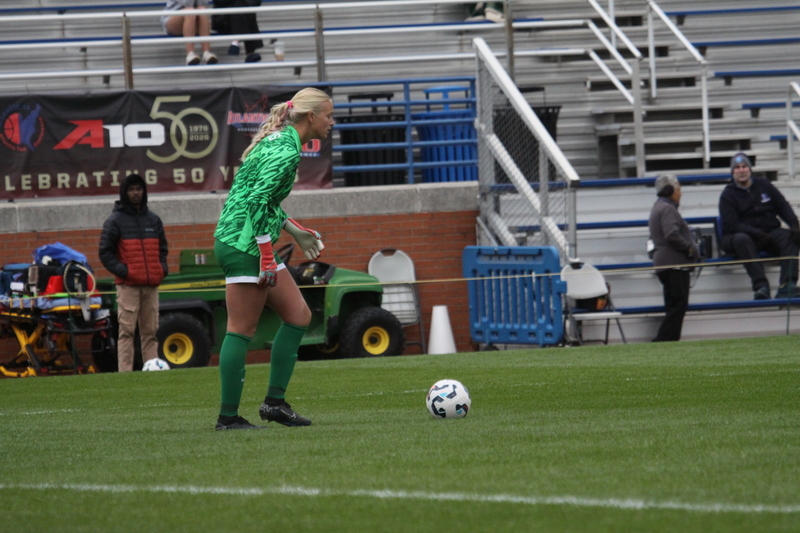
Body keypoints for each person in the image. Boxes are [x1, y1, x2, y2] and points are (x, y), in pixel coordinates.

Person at [213, 87, 334, 431]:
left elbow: (262, 200)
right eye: (328, 115)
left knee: (298, 315)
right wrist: (267, 256)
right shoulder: (285, 151)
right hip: (243, 245)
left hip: (247, 240)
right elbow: (255, 202)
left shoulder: (282, 141)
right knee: (241, 329)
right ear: (311, 117)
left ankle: (274, 404)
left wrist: (295, 230)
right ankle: (228, 418)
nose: (332, 122)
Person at [98, 174, 169, 372]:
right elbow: (105, 252)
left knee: (150, 332)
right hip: (127, 285)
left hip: (151, 285)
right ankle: (125, 374)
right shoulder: (115, 221)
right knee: (126, 332)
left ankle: (152, 370)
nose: (136, 193)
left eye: (139, 189)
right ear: (124, 193)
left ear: (144, 191)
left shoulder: (153, 220)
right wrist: (125, 272)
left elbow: (163, 249)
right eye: (131, 189)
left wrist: (161, 270)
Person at [719, 153, 800, 300]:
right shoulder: (727, 195)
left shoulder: (764, 185)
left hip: (769, 232)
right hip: (742, 235)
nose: (741, 170)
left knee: (791, 236)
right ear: (732, 172)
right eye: (737, 168)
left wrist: (794, 224)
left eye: (744, 166)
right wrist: (756, 234)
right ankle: (761, 287)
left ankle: (787, 286)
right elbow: (732, 224)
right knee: (741, 239)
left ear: (750, 169)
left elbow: (783, 206)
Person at [648, 174, 698, 342]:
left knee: (673, 305)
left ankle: (668, 341)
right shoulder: (668, 209)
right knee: (678, 305)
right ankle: (663, 340)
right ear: (669, 190)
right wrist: (689, 248)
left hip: (665, 264)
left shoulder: (658, 207)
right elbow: (672, 235)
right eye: (678, 189)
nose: (680, 193)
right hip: (675, 264)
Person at [161, 0, 218, 66]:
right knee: (190, 11)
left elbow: (203, 3)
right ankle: (190, 54)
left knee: (202, 9)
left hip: (194, 19)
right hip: (172, 18)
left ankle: (206, 52)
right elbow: (186, 3)